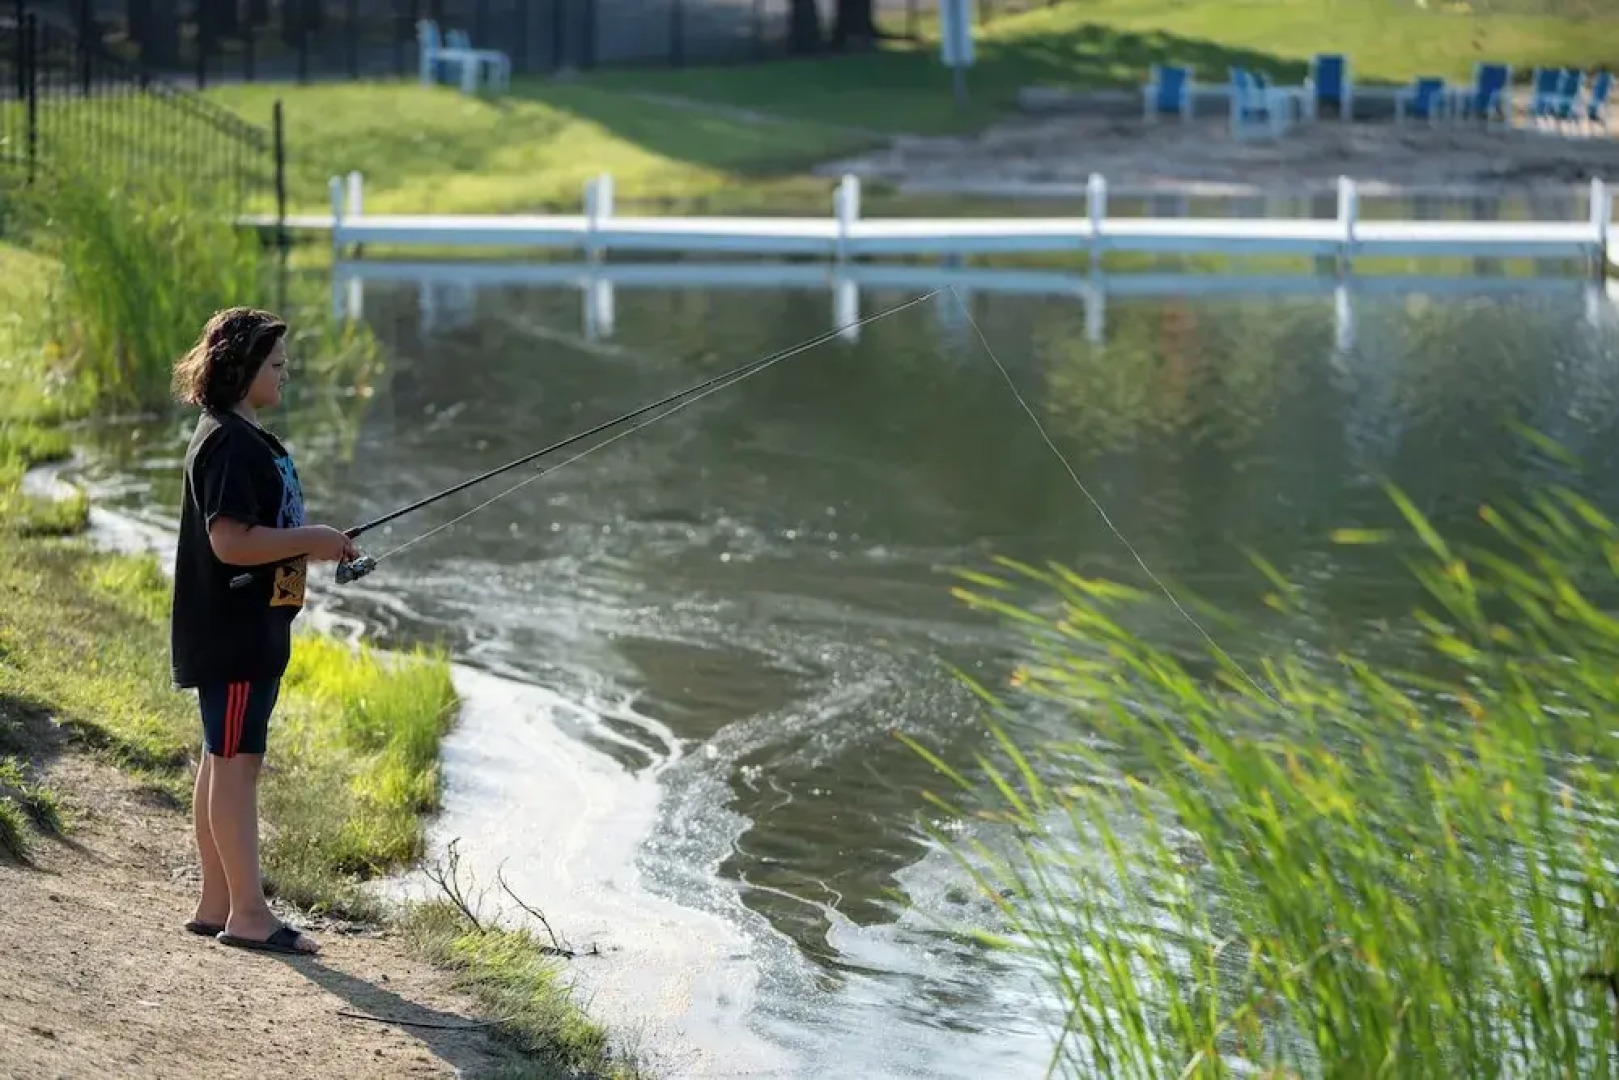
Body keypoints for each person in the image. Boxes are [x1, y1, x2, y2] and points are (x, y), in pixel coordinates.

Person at [168, 307, 358, 957]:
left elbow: (255, 533)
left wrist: (317, 543)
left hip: (243, 629)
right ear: (243, 370)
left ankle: (217, 902)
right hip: (235, 633)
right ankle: (249, 915)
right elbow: (230, 542)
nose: (286, 374)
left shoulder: (238, 435)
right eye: (276, 365)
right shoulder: (227, 443)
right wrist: (314, 540)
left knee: (222, 759)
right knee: (236, 763)